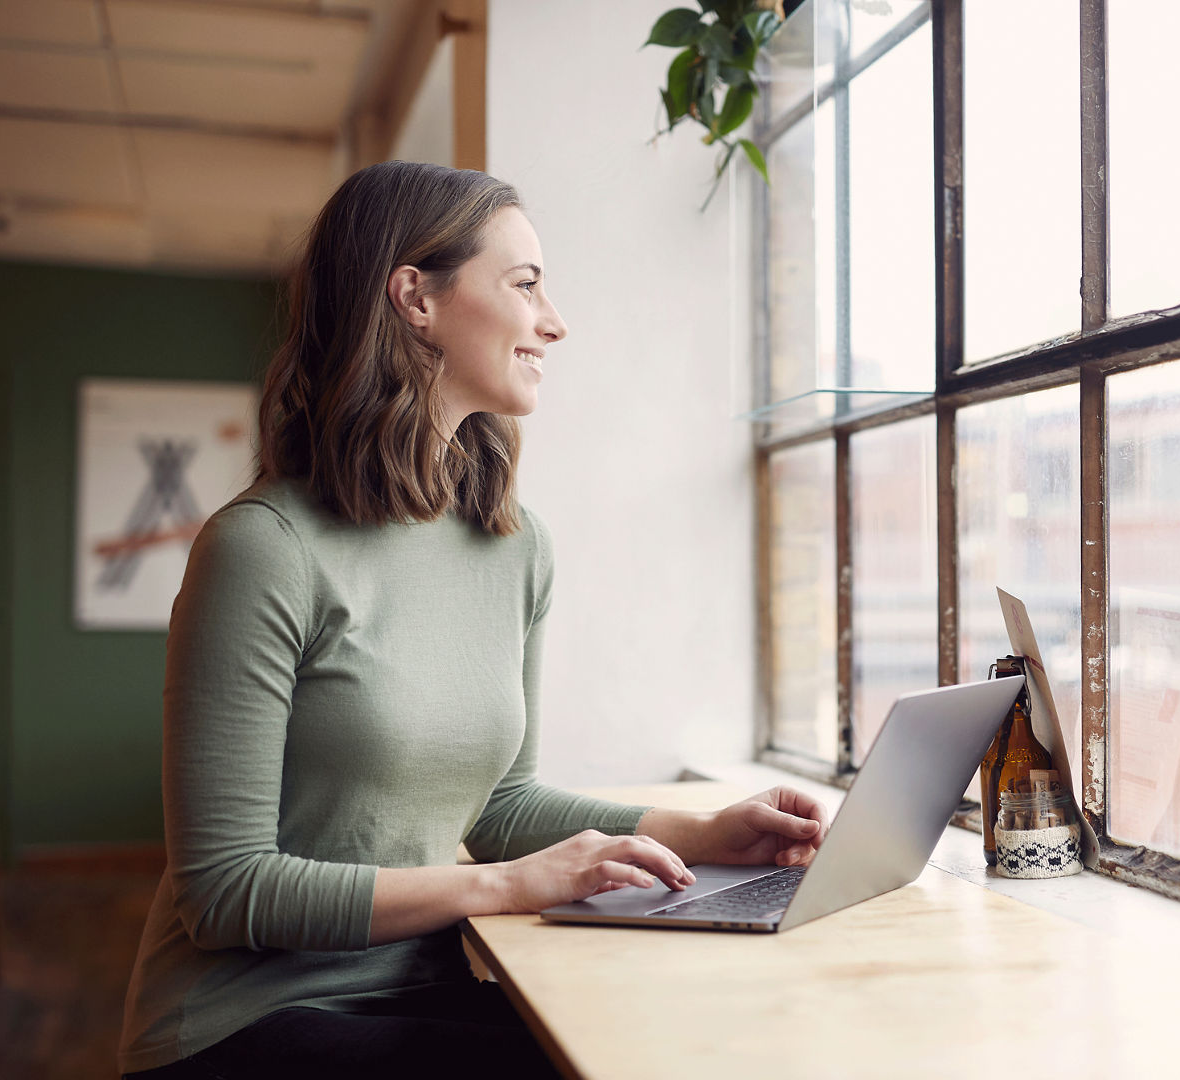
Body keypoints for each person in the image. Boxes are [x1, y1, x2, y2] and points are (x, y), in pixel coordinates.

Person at [117, 161, 830, 1079]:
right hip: (249, 1022)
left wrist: (704, 833)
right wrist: (506, 886)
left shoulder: (513, 544)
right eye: (526, 285)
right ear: (415, 297)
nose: (555, 321)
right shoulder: (262, 548)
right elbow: (225, 891)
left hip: (429, 990)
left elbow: (500, 807)